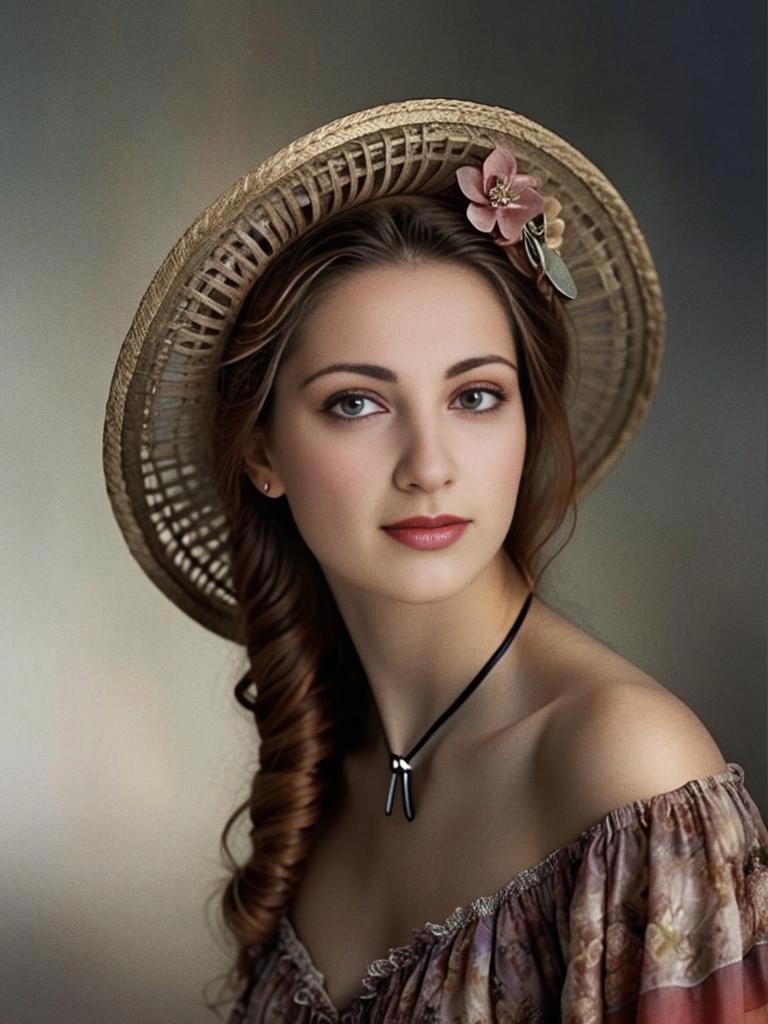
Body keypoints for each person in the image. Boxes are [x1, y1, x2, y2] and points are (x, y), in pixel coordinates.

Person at [103, 100, 768, 1022]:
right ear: (260, 453)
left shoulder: (625, 767)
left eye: (476, 395)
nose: (428, 467)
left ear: (528, 420)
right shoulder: (325, 779)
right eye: (356, 404)